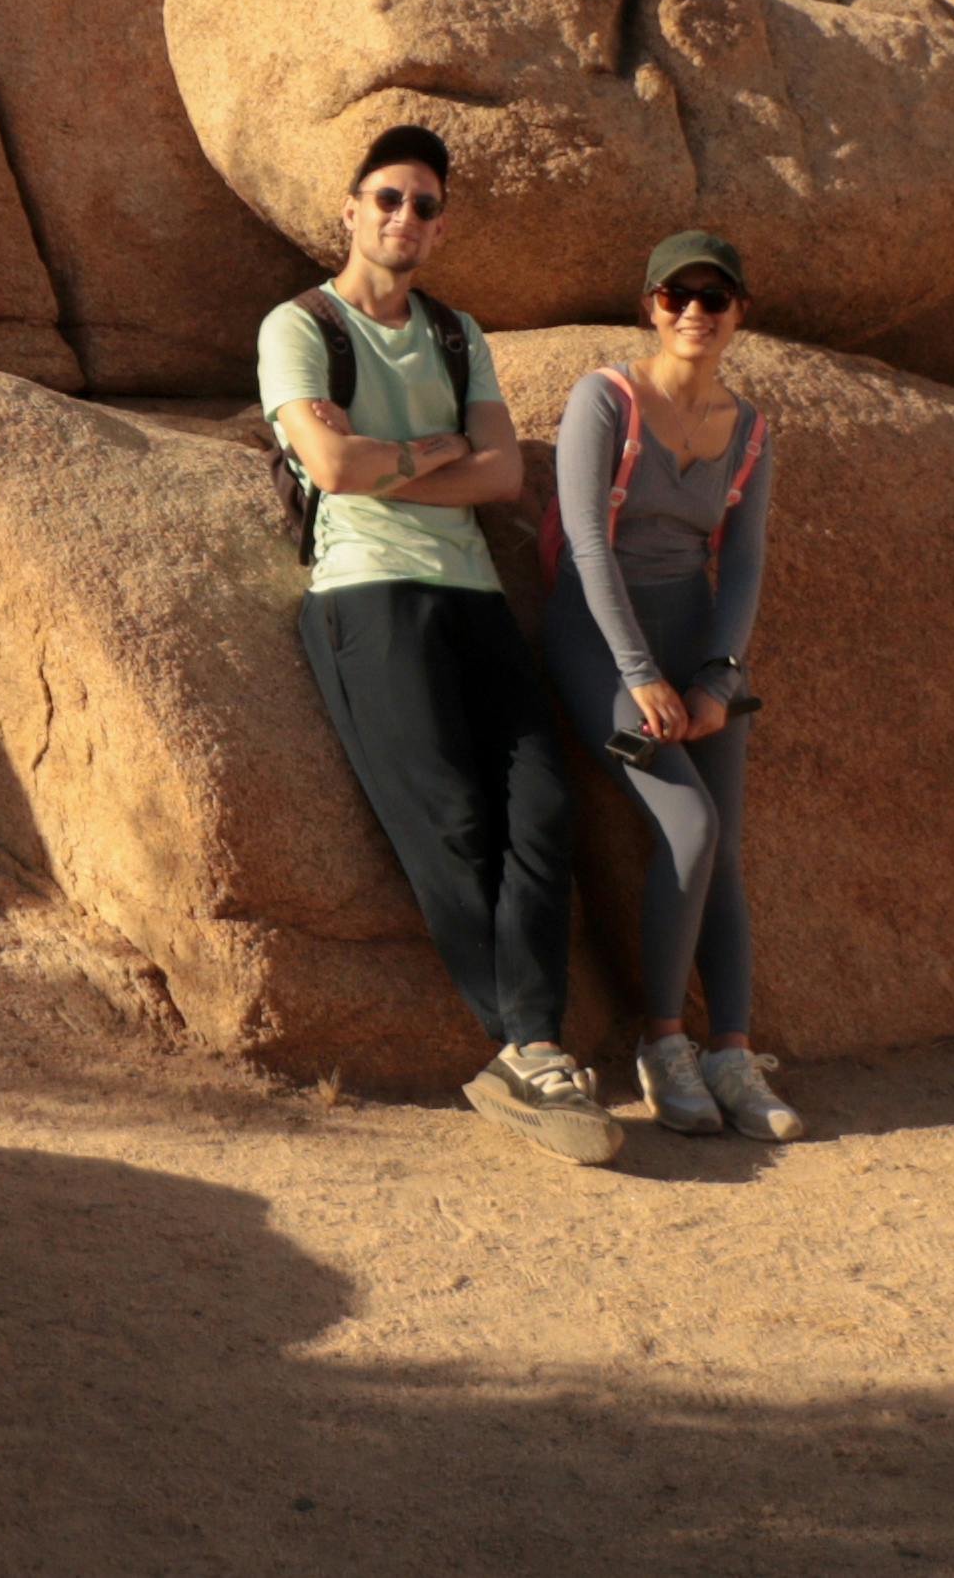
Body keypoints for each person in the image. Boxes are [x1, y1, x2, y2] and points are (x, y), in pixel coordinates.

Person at [266, 125, 616, 1165]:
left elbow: (503, 475)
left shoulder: (458, 332)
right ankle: (529, 1045)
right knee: (452, 821)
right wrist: (437, 450)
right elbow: (327, 462)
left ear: (440, 222)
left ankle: (528, 1049)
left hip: (469, 589)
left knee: (544, 804)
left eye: (423, 204)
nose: (403, 218)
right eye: (386, 197)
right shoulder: (298, 325)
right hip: (365, 591)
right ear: (348, 206)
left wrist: (394, 457)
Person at [539, 228, 800, 1142]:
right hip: (597, 639)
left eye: (713, 296)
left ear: (738, 313)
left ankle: (730, 1052)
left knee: (722, 849)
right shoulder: (604, 399)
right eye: (674, 294)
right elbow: (583, 540)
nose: (694, 310)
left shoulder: (752, 430)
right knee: (687, 824)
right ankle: (662, 1043)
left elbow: (744, 563)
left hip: (695, 642)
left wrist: (719, 679)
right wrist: (640, 675)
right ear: (649, 305)